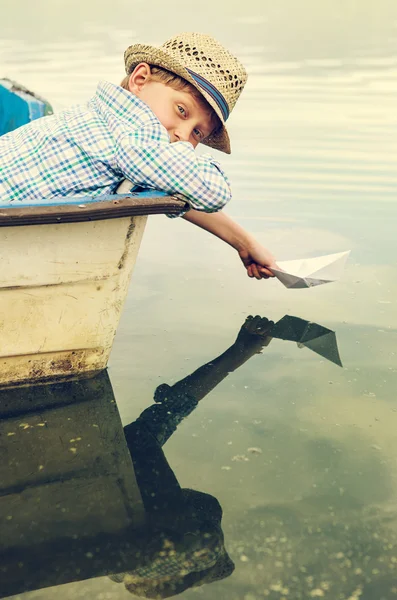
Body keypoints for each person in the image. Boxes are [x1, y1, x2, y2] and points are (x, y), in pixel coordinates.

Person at [0, 32, 276, 279]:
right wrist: (193, 160)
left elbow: (172, 188)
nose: (182, 135)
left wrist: (244, 243)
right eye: (181, 110)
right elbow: (212, 193)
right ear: (140, 79)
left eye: (197, 134)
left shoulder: (111, 124)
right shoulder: (133, 135)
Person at [110, 315, 274, 598]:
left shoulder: (204, 549)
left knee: (148, 429)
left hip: (158, 518)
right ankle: (240, 351)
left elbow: (206, 503)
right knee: (147, 432)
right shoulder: (122, 569)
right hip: (116, 522)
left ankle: (241, 351)